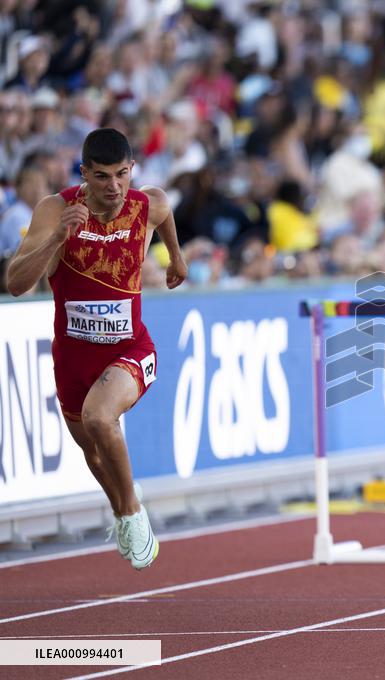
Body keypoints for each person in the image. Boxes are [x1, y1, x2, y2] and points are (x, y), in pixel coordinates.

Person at [5, 128, 187, 570]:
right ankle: (122, 502)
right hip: (73, 357)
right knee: (91, 448)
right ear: (84, 173)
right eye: (102, 177)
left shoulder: (145, 204)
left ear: (132, 171)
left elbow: (164, 212)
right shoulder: (56, 209)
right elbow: (13, 284)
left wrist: (176, 260)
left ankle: (131, 513)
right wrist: (54, 241)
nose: (114, 187)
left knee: (100, 418)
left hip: (130, 349)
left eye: (122, 175)